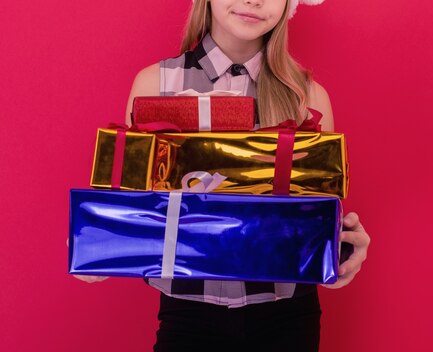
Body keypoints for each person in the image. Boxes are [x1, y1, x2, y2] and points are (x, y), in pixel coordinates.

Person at [73, 0, 370, 350]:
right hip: (187, 317)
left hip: (288, 316)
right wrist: (98, 244)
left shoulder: (308, 97)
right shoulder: (155, 84)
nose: (254, 1)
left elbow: (315, 225)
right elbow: (136, 209)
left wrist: (342, 252)